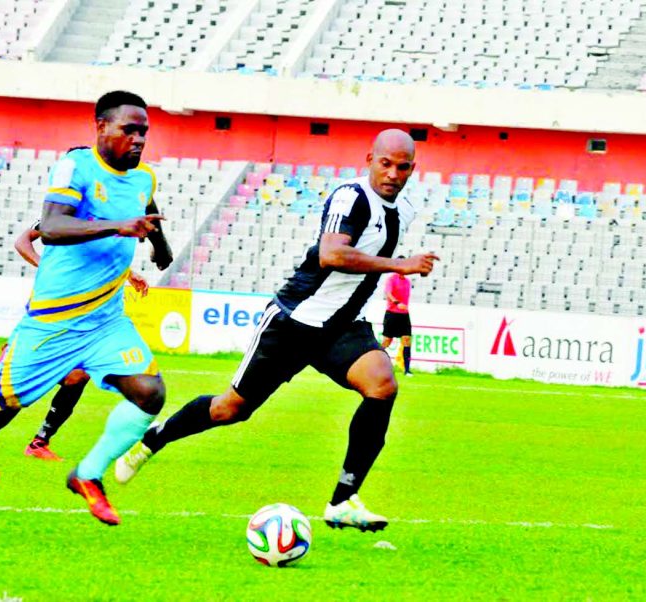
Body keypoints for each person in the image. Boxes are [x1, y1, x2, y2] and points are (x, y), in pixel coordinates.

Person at [116, 129, 439, 532]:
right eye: (385, 163)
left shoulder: (403, 208)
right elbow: (331, 254)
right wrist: (400, 265)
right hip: (294, 321)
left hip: (342, 326)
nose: (392, 173)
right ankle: (154, 440)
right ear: (369, 158)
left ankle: (342, 501)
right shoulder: (351, 197)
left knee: (382, 385)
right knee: (230, 409)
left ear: (413, 169)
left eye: (402, 166)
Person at [0, 90, 174, 534]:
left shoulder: (144, 178)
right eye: (129, 130)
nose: (138, 140)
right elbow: (51, 227)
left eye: (143, 132)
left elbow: (146, 213)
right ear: (101, 127)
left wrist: (161, 248)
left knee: (151, 393)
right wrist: (119, 226)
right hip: (52, 323)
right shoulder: (77, 167)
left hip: (106, 321)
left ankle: (87, 474)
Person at [10, 220, 149, 461]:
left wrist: (128, 274)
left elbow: (98, 261)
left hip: (82, 310)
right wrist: (43, 265)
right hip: (53, 306)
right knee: (23, 384)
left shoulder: (106, 224)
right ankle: (10, 374)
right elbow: (22, 240)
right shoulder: (65, 215)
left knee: (79, 375)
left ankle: (39, 441)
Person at [380, 259, 413, 376]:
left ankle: (407, 370)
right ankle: (377, 362)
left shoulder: (408, 281)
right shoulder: (391, 279)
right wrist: (397, 302)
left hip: (404, 315)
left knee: (407, 340)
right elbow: (388, 293)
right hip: (392, 313)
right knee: (387, 341)